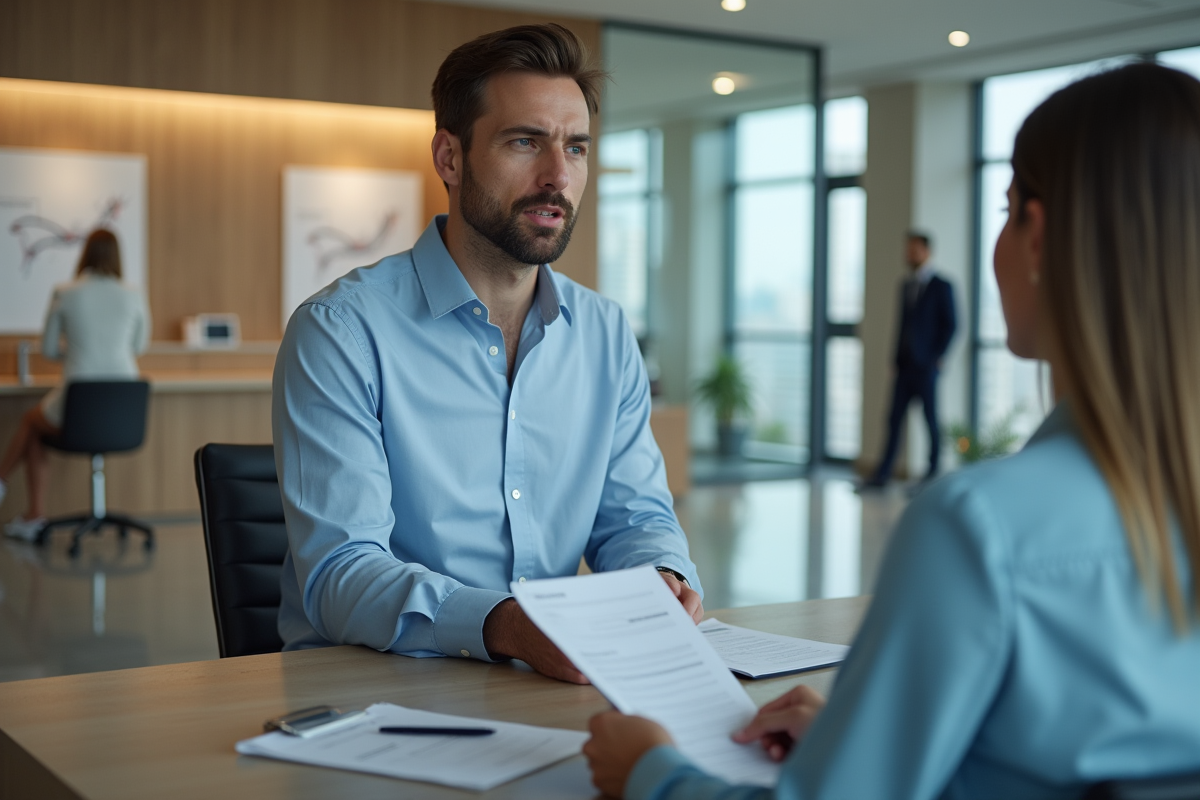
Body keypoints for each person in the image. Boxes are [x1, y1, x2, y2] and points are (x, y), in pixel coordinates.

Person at [582, 62, 1200, 799]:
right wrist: (863, 735)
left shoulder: (983, 529)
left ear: (1038, 238)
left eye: (1005, 209)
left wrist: (651, 771)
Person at [272, 23, 703, 684]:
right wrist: (507, 626)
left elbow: (636, 516)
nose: (558, 175)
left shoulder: (606, 334)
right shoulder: (341, 332)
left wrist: (663, 578)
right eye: (525, 142)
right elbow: (340, 573)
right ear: (450, 157)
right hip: (375, 697)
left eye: (577, 147)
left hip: (545, 686)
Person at [0, 229, 150, 541]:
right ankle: (31, 514)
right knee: (36, 433)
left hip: (79, 401)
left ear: (85, 254)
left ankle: (15, 495)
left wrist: (80, 349)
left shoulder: (65, 292)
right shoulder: (133, 293)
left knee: (31, 422)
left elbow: (50, 349)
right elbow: (138, 347)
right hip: (125, 408)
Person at [862, 230, 956, 489]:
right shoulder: (905, 285)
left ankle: (932, 474)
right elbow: (901, 326)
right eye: (907, 249)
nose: (909, 254)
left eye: (914, 249)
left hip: (926, 367)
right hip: (904, 367)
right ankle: (882, 475)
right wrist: (894, 359)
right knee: (893, 420)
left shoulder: (941, 286)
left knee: (930, 420)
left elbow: (951, 325)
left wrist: (937, 358)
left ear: (926, 251)